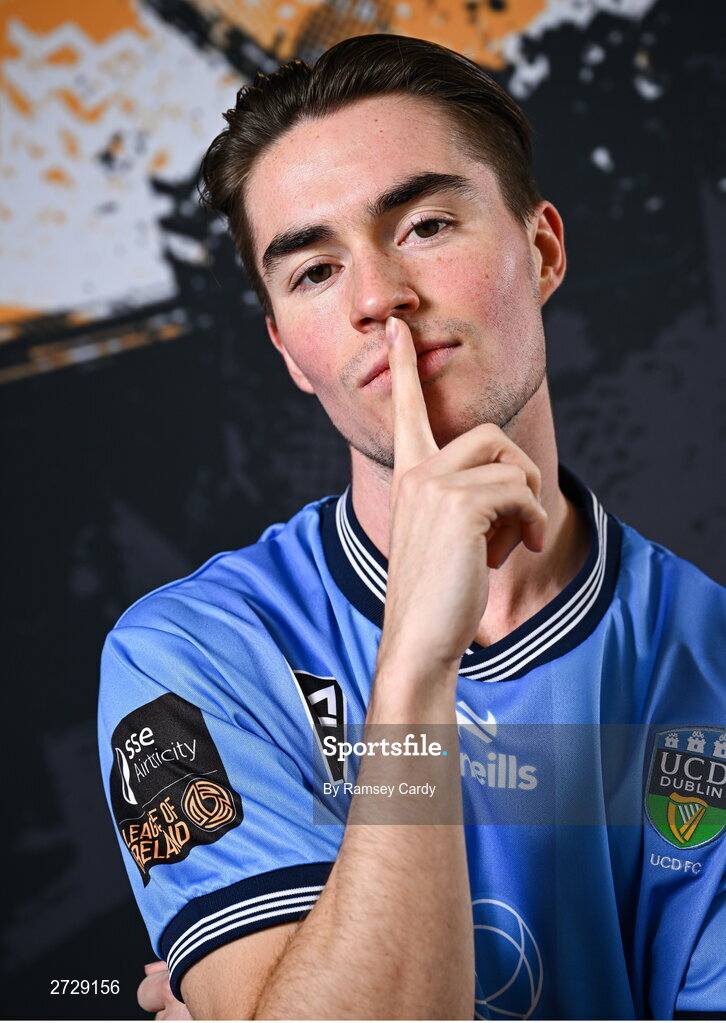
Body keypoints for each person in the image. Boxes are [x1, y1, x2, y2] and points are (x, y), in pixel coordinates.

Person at [98, 34, 726, 1021]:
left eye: (426, 225)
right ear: (289, 354)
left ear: (543, 248)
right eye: (312, 271)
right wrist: (415, 666)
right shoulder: (189, 660)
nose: (378, 299)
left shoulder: (712, 660)